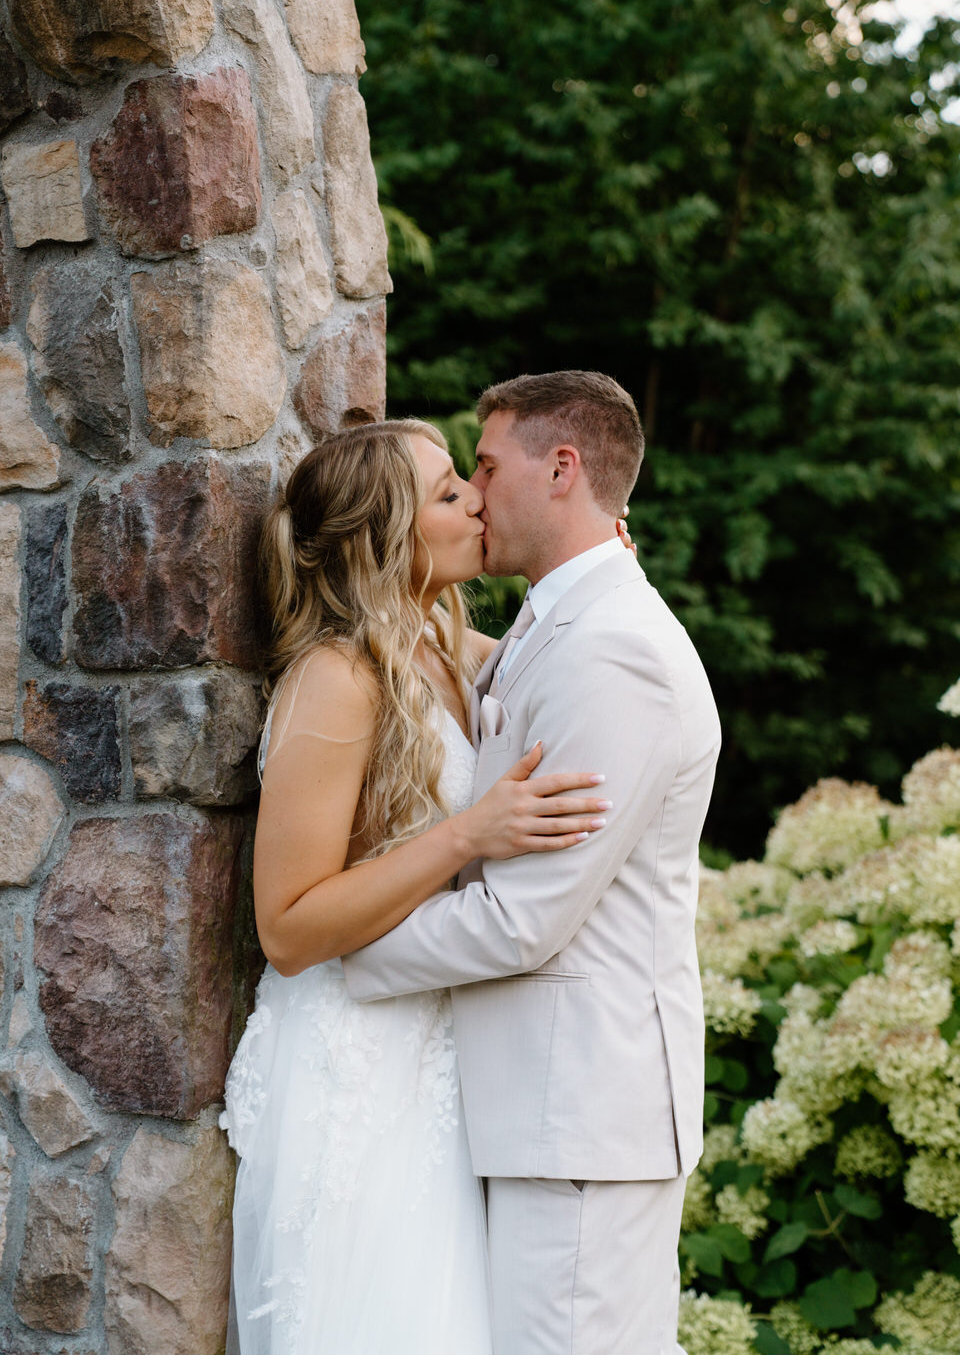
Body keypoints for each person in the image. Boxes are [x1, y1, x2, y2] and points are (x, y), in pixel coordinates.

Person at [343, 372, 722, 1355]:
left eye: (486, 464)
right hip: (552, 1112)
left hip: (581, 1120)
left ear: (562, 470)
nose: (474, 490)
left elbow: (524, 918)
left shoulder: (613, 653)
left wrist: (349, 955)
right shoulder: (563, 626)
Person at [219, 417, 612, 1355]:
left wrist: (600, 563)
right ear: (384, 539)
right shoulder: (334, 676)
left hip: (442, 1054)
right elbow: (287, 925)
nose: (477, 499)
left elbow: (567, 652)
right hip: (353, 1064)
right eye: (448, 493)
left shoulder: (447, 641)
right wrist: (466, 837)